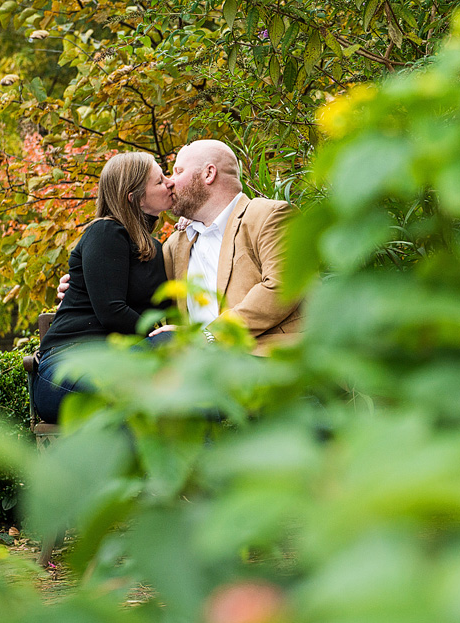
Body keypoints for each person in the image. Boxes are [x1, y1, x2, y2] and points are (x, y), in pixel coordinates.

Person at [59, 140, 302, 354]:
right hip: (192, 367)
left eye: (178, 171)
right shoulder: (175, 245)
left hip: (261, 357)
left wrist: (208, 335)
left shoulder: (269, 215)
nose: (170, 182)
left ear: (208, 174)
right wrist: (79, 286)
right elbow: (130, 285)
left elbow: (283, 287)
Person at [33, 152, 175, 423]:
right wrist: (158, 333)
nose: (170, 183)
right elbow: (111, 310)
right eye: (160, 181)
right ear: (135, 197)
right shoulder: (107, 232)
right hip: (67, 371)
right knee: (172, 345)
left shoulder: (154, 248)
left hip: (117, 363)